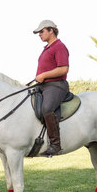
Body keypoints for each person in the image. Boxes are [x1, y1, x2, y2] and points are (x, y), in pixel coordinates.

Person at [32, 20, 69, 156]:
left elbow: (64, 69)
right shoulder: (47, 48)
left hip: (56, 85)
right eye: (38, 32)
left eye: (41, 31)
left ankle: (55, 145)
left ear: (51, 30)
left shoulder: (59, 47)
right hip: (43, 85)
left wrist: (44, 75)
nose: (39, 34)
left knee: (47, 108)